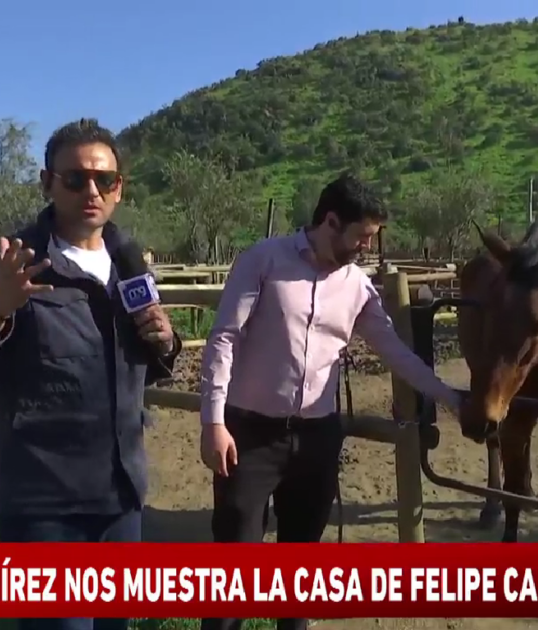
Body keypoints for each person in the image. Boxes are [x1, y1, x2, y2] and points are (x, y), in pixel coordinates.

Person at [0, 118, 180, 630]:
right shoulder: (8, 264)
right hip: (44, 505)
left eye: (104, 180)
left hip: (120, 498)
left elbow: (134, 369)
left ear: (119, 189)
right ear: (47, 184)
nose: (91, 190)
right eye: (75, 178)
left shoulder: (130, 264)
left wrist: (165, 341)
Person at [197, 173, 462, 630]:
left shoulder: (357, 287)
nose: (366, 247)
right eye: (362, 236)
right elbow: (224, 337)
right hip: (250, 436)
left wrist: (451, 396)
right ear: (332, 222)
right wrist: (213, 421)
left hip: (318, 439)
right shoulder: (263, 261)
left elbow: (395, 351)